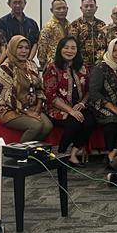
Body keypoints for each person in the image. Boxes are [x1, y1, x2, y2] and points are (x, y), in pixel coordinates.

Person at [43, 36, 92, 166]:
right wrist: (70, 111)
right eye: (66, 47)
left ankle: (73, 154)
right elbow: (50, 96)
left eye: (73, 48)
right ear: (60, 49)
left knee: (90, 121)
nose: (69, 51)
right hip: (57, 109)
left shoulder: (83, 67)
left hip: (79, 106)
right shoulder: (52, 68)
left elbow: (89, 90)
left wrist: (82, 103)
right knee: (74, 122)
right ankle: (61, 154)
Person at [0, 35, 52, 142]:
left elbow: (39, 88)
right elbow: (8, 97)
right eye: (20, 47)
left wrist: (38, 107)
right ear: (12, 48)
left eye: (26, 48)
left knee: (48, 126)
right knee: (36, 126)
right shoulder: (5, 68)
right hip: (10, 109)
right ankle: (19, 151)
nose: (24, 51)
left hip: (31, 106)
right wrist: (27, 112)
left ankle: (32, 149)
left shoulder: (31, 64)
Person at [67, 0, 106, 67]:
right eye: (86, 6)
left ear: (96, 8)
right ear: (81, 8)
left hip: (100, 64)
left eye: (91, 6)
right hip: (81, 64)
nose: (89, 9)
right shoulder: (75, 25)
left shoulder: (102, 24)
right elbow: (71, 45)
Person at [36, 0, 70, 69]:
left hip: (67, 63)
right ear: (52, 10)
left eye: (64, 8)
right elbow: (42, 48)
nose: (62, 11)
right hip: (52, 65)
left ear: (67, 9)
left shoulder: (69, 25)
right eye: (58, 8)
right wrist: (43, 65)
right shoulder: (48, 27)